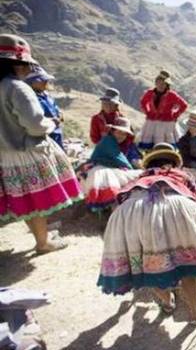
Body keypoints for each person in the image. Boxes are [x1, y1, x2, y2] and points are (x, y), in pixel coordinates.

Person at [97, 143, 196, 323]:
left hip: (134, 212)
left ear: (150, 163)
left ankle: (167, 303)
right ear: (173, 162)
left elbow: (122, 198)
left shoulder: (139, 178)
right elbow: (195, 199)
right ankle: (195, 314)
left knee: (148, 267)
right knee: (187, 268)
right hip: (176, 207)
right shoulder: (181, 175)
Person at [0, 33, 82, 253]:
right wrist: (51, 124)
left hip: (4, 153)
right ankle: (43, 243)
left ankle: (41, 236)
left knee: (25, 198)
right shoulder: (17, 88)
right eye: (27, 64)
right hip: (27, 150)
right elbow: (34, 124)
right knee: (36, 200)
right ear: (17, 64)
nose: (29, 70)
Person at [80, 117, 143, 212]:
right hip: (100, 169)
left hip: (106, 168)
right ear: (113, 131)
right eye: (119, 132)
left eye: (124, 134)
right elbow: (122, 160)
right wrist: (131, 169)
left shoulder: (111, 141)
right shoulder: (108, 142)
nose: (121, 136)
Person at [138, 70, 188, 150]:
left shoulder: (172, 95)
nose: (161, 85)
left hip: (167, 123)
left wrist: (175, 115)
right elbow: (143, 102)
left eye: (163, 83)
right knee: (148, 144)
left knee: (165, 145)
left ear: (166, 85)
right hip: (151, 122)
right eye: (159, 82)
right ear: (156, 83)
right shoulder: (150, 93)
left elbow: (184, 105)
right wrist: (148, 112)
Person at [24, 66, 63, 149]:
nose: (46, 82)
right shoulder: (29, 97)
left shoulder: (46, 95)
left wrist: (60, 114)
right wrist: (50, 121)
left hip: (56, 134)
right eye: (42, 80)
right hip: (43, 138)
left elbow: (55, 107)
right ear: (32, 82)